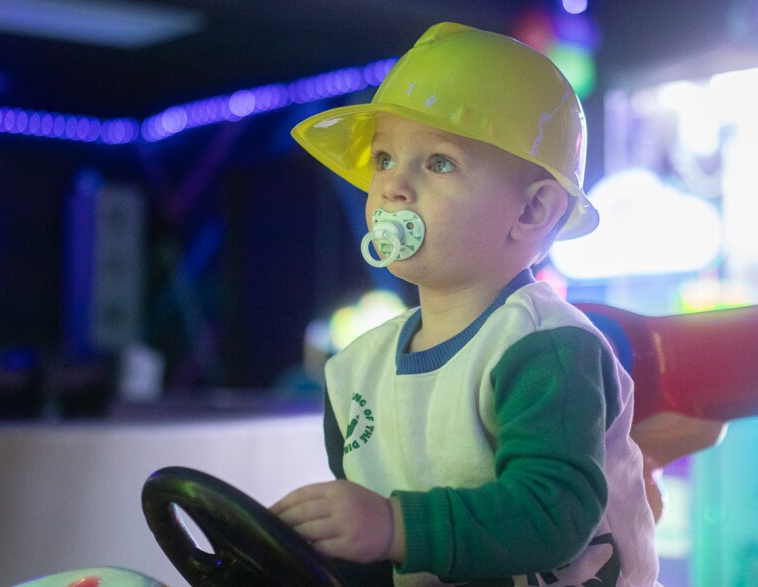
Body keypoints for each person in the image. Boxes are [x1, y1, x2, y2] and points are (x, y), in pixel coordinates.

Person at [270, 22, 660, 586]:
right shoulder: (354, 371)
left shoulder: (546, 345)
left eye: (439, 163)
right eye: (382, 159)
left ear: (531, 212)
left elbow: (554, 512)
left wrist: (394, 525)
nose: (392, 188)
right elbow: (369, 558)